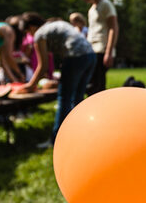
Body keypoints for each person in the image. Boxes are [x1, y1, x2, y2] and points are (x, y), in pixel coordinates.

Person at [16, 13, 96, 147]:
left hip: (76, 57)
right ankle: (81, 135)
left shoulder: (39, 34)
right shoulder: (54, 24)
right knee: (78, 98)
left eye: (27, 32)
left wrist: (30, 85)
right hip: (91, 56)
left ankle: (56, 141)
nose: (29, 35)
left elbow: (43, 66)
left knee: (64, 98)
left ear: (30, 27)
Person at [75, 0, 118, 94]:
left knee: (97, 86)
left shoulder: (106, 5)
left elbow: (113, 28)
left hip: (102, 49)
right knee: (90, 84)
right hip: (90, 50)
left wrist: (109, 52)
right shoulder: (91, 10)